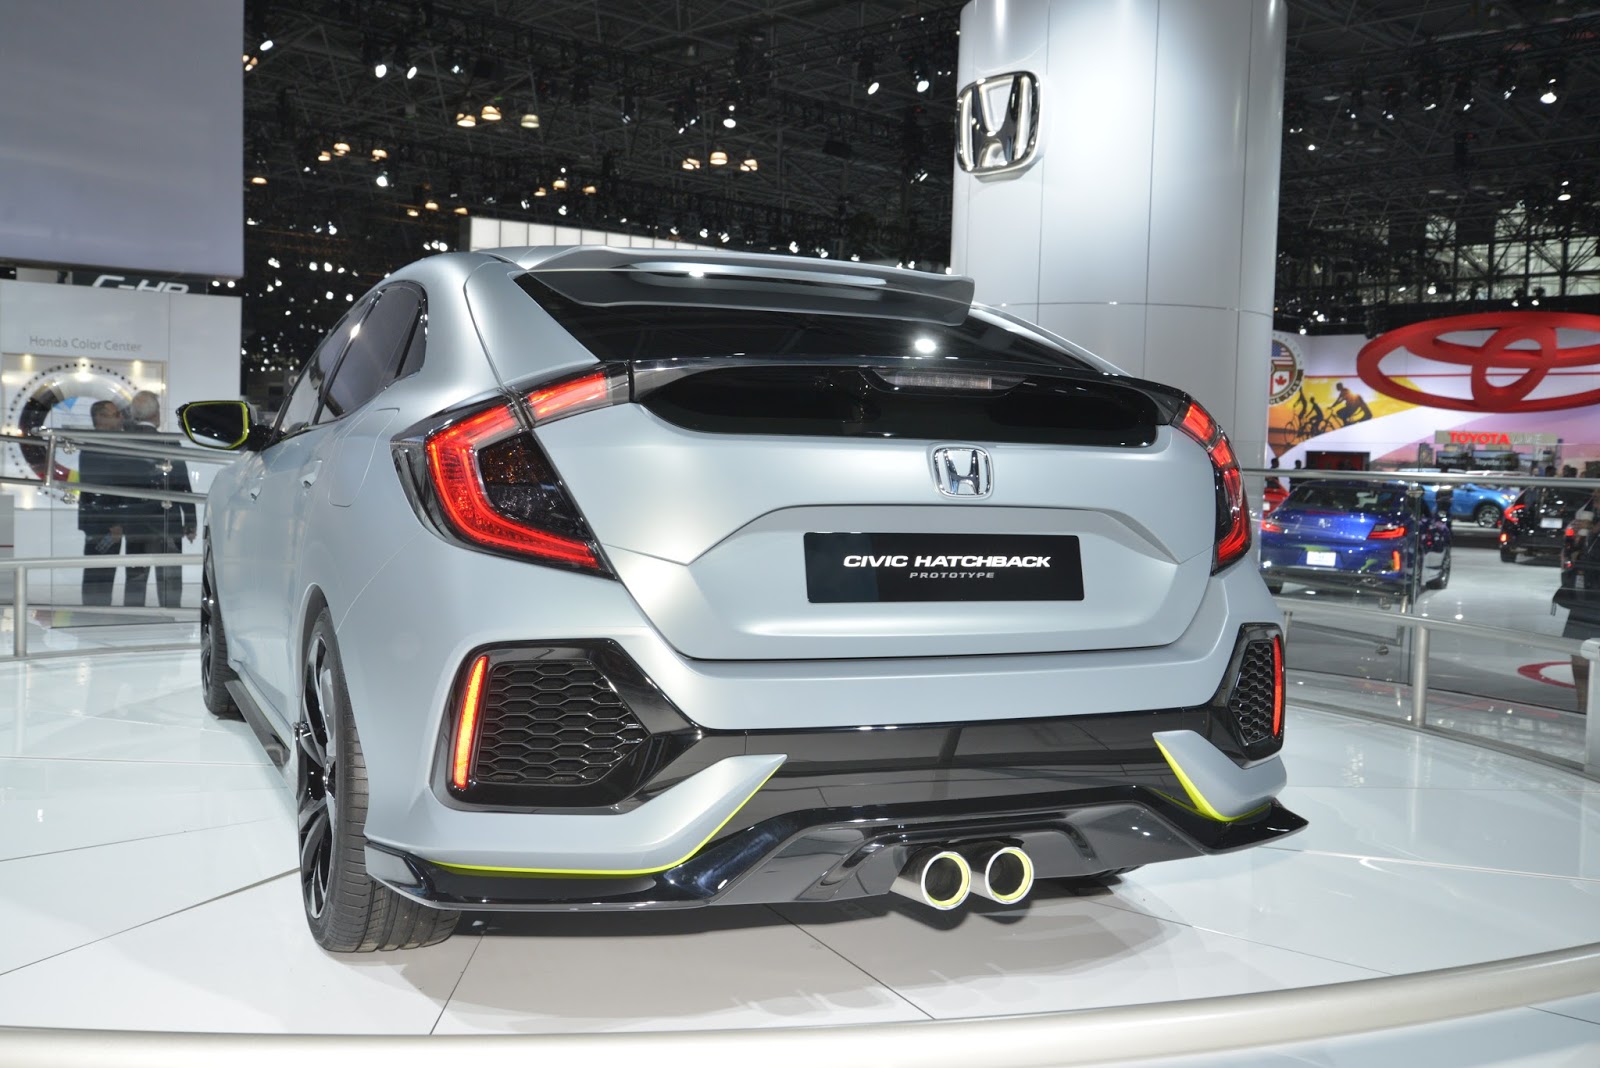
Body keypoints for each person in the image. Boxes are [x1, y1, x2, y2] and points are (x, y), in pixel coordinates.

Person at [124, 391, 196, 608]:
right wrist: (190, 522)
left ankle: (133, 618)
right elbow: (183, 486)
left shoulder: (125, 443)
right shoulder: (169, 443)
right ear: (156, 415)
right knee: (169, 578)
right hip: (167, 519)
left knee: (135, 577)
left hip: (134, 521)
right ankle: (171, 617)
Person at [76, 400, 134, 605]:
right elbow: (100, 489)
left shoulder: (105, 443)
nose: (121, 418)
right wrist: (114, 522)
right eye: (115, 414)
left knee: (103, 572)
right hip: (102, 522)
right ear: (99, 418)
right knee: (99, 573)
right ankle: (94, 612)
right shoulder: (96, 446)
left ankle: (97, 611)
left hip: (103, 520)